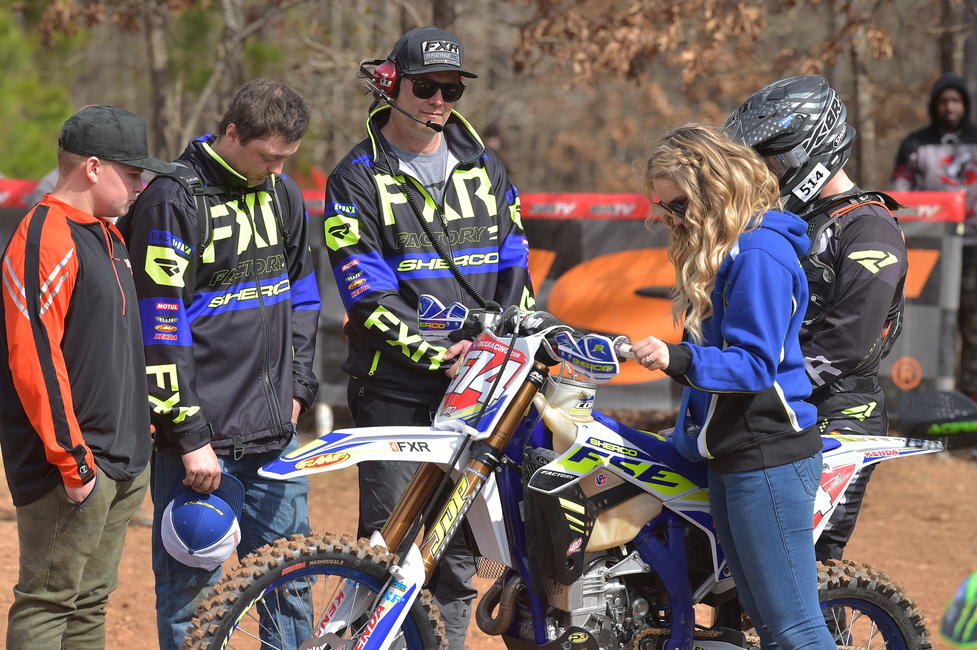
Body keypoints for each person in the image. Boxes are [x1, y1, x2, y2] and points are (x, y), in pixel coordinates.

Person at [324, 25, 535, 649]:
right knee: (387, 544)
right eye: (426, 86)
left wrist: (501, 348)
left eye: (452, 89)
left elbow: (516, 268)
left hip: (481, 386)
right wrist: (437, 354)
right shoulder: (355, 176)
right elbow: (364, 294)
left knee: (461, 547)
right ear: (390, 84)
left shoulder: (486, 165)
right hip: (396, 386)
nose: (439, 100)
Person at [118, 79, 321, 649]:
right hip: (200, 448)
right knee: (193, 599)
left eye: (287, 158)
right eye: (266, 156)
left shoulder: (283, 194)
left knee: (291, 588)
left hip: (274, 437)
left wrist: (299, 387)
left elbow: (303, 297)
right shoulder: (171, 199)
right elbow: (158, 328)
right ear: (232, 132)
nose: (277, 169)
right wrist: (188, 436)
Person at [632, 123, 835, 650]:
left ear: (713, 190)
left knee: (796, 629)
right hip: (732, 454)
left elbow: (751, 365)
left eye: (677, 205)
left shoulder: (759, 256)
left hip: (766, 455)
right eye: (662, 207)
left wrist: (675, 357)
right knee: (768, 627)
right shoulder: (726, 252)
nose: (669, 218)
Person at [0, 105, 172, 648]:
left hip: (120, 459)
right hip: (71, 466)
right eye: (134, 172)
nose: (141, 185)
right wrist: (72, 460)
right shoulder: (44, 235)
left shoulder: (107, 234)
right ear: (93, 168)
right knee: (48, 603)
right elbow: (34, 359)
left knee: (90, 603)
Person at [724, 75, 907, 565]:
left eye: (777, 160)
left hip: (841, 412)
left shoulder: (868, 226)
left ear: (814, 150)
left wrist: (769, 386)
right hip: (784, 403)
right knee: (738, 555)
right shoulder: (797, 222)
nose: (769, 173)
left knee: (807, 563)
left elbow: (851, 340)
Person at [891, 73, 977, 400]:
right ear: (934, 106)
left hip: (973, 250)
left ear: (965, 105)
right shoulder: (915, 144)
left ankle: (969, 401)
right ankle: (924, 396)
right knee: (927, 325)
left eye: (956, 100)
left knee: (973, 329)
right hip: (930, 249)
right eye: (944, 101)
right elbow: (901, 196)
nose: (950, 107)